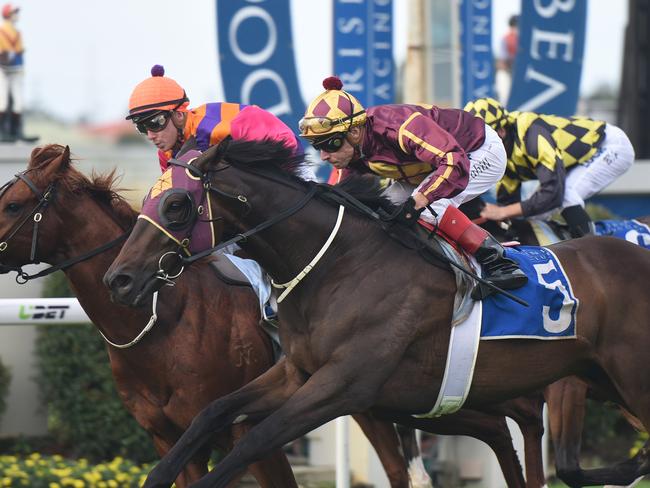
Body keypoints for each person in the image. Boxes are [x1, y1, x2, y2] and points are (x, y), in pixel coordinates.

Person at [299, 76, 527, 293]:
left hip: (477, 152)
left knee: (430, 208)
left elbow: (453, 160)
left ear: (355, 131)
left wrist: (419, 200)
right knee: (383, 210)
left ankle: (500, 263)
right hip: (431, 167)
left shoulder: (398, 127)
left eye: (330, 144)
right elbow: (342, 203)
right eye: (318, 146)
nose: (324, 157)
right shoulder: (352, 149)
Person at [464, 97, 635, 237]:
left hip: (611, 146)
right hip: (576, 160)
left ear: (500, 131)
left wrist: (503, 212)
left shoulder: (532, 134)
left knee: (566, 194)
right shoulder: (502, 154)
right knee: (535, 212)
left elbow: (554, 193)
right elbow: (509, 205)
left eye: (481, 143)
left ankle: (594, 252)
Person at [126, 65, 302, 172]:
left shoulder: (213, 131)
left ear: (178, 115)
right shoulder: (166, 153)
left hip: (286, 149)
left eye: (154, 123)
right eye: (142, 127)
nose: (150, 135)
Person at [0, 3, 28, 142]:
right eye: (14, 12)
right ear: (8, 14)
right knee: (3, 101)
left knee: (18, 102)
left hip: (16, 69)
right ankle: (2, 131)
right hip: (3, 69)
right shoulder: (2, 31)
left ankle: (16, 131)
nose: (16, 15)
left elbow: (20, 51)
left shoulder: (17, 33)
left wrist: (21, 67)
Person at [495, 14, 519, 105]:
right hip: (506, 73)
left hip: (516, 74)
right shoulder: (506, 39)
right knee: (505, 101)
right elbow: (502, 61)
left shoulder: (521, 39)